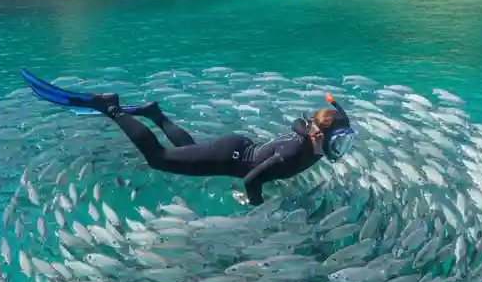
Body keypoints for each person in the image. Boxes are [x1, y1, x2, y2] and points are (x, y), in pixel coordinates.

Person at [21, 70, 356, 206]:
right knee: (159, 159)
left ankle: (155, 114)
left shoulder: (310, 137)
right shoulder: (297, 150)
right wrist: (256, 204)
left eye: (343, 140)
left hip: (236, 146)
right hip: (230, 159)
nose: (340, 147)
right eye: (338, 139)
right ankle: (110, 107)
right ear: (319, 133)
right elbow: (252, 180)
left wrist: (325, 123)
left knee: (190, 150)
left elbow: (299, 122)